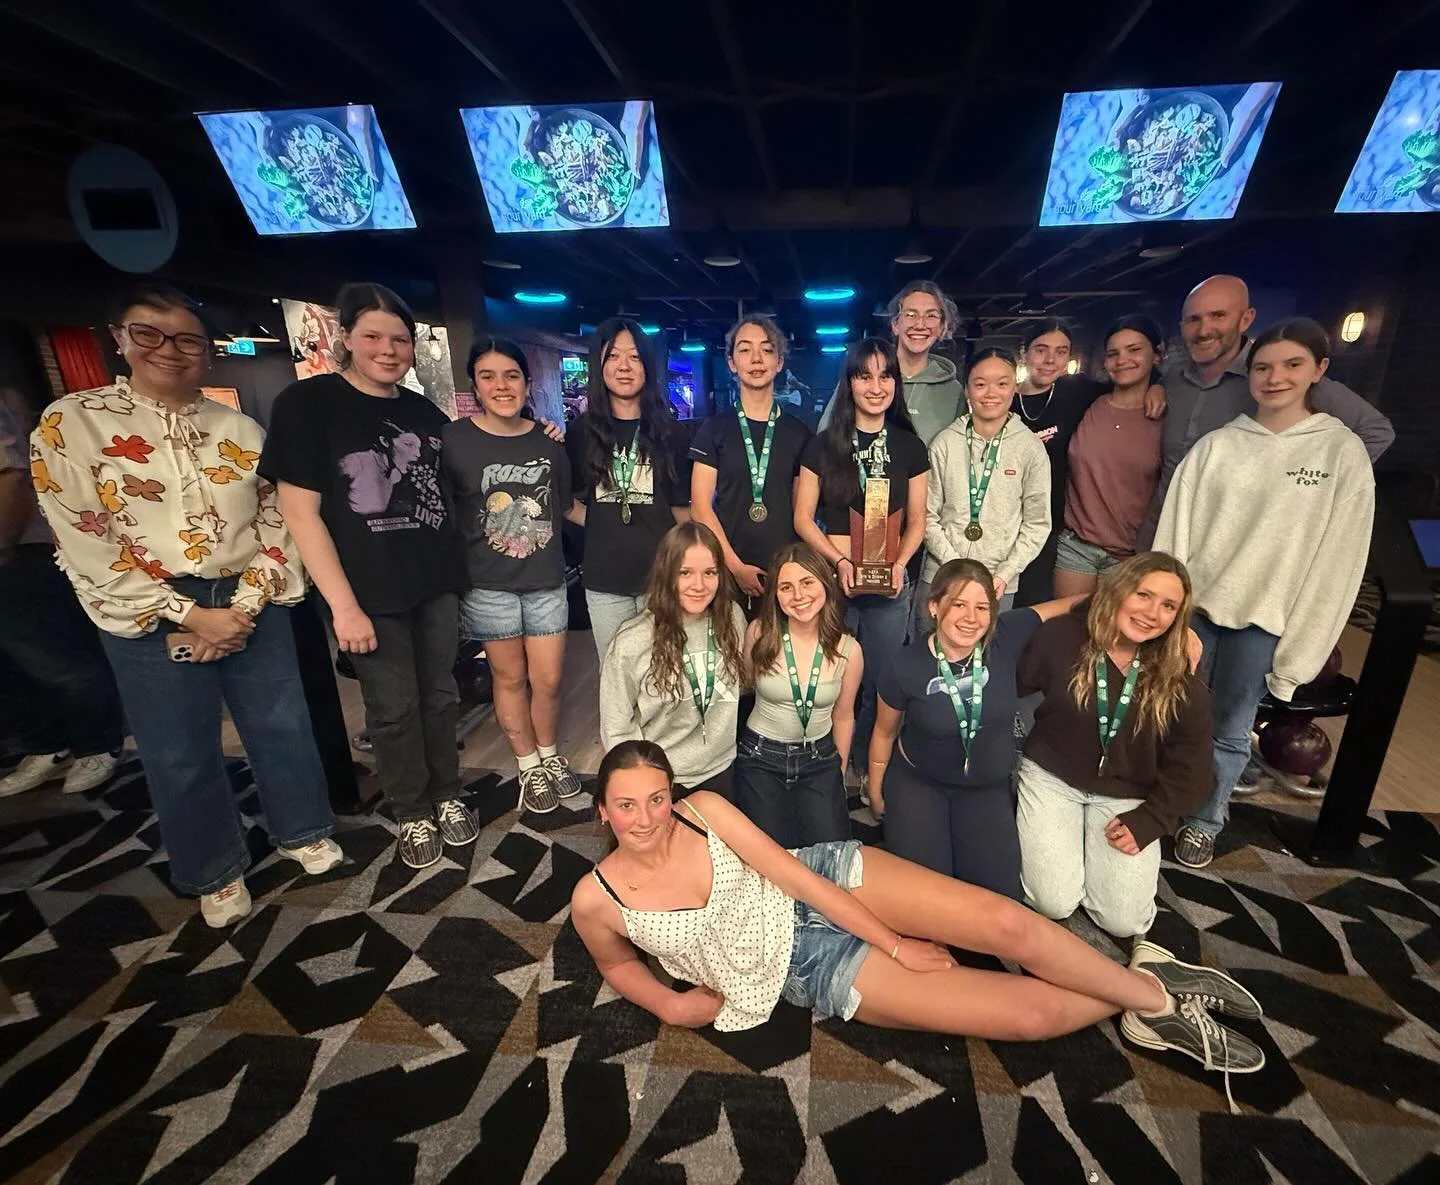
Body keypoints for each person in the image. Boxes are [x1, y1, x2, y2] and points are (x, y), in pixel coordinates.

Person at [571, 740, 1265, 1099]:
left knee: (1007, 924)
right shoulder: (595, 898)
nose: (644, 818)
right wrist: (670, 1002)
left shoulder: (705, 814)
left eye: (656, 799)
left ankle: (1154, 998)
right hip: (807, 968)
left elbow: (797, 876)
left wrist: (896, 943)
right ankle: (1152, 989)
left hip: (826, 880)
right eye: (626, 805)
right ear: (602, 810)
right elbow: (614, 962)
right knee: (1024, 1017)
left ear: (673, 796)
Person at [30, 284, 340, 926]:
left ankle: (302, 828)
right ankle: (214, 868)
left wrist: (244, 604)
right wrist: (190, 614)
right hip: (142, 606)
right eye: (149, 334)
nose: (169, 350)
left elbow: (277, 518)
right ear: (119, 338)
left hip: (251, 591)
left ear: (205, 349)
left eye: (187, 339)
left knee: (281, 723)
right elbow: (84, 535)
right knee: (178, 746)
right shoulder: (72, 423)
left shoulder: (239, 427)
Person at [261, 282, 476, 871]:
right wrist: (343, 606)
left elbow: (455, 489)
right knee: (393, 706)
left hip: (433, 580)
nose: (389, 349)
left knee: (440, 695)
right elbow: (299, 514)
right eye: (374, 337)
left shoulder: (424, 412)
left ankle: (448, 794)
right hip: (366, 590)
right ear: (345, 339)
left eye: (400, 339)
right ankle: (410, 808)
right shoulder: (307, 405)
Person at [1155, 319, 1376, 869]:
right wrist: (1167, 612)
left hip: (1267, 616)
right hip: (1198, 609)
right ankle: (1160, 808)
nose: (1275, 378)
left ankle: (1205, 821)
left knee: (1231, 728)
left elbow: (1339, 558)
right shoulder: (1218, 446)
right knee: (1170, 717)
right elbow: (1175, 536)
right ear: (1249, 373)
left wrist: (1304, 643)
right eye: (1264, 367)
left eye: (1292, 365)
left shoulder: (1339, 453)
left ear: (1319, 370)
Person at [1016, 553, 1212, 939]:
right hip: (1052, 778)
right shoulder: (1062, 638)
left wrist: (1151, 821)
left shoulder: (1180, 677)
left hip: (1128, 796)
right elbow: (1009, 683)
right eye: (1143, 595)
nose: (1152, 613)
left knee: (1124, 922)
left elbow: (1193, 769)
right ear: (1119, 591)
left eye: (1168, 605)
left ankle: (1090, 856)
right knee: (1052, 901)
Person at [869, 559, 1082, 898]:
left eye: (982, 607)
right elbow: (883, 732)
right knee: (927, 895)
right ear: (935, 606)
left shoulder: (1006, 636)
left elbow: (1071, 604)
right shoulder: (905, 665)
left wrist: (1178, 629)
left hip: (986, 787)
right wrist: (877, 790)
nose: (972, 618)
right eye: (959, 604)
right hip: (921, 783)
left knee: (997, 894)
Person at [1137, 274, 1393, 549]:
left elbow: (1376, 431)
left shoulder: (1276, 376)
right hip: (1162, 536)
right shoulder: (1174, 380)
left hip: (1235, 544)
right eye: (1194, 319)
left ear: (1245, 319)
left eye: (1218, 315)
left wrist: (1310, 486)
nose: (1203, 330)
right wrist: (1155, 385)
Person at [442, 337, 583, 815]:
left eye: (511, 376)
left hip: (545, 580)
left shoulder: (548, 439)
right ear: (475, 385)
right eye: (488, 376)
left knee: (548, 679)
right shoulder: (454, 440)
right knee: (509, 677)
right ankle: (527, 767)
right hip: (487, 583)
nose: (501, 386)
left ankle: (549, 755)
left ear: (527, 383)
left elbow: (565, 507)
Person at [794, 338, 928, 783]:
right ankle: (826, 762)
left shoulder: (910, 447)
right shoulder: (821, 446)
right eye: (864, 375)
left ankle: (873, 765)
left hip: (890, 584)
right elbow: (803, 520)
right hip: (835, 581)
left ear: (896, 382)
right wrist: (838, 563)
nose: (876, 386)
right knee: (829, 674)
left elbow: (918, 520)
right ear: (849, 383)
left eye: (885, 375)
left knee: (883, 679)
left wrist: (899, 565)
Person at [0, 375, 124, 797]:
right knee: (13, 666)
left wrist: (3, 545)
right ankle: (46, 744)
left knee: (59, 657)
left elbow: (12, 475)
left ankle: (97, 743)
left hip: (19, 551)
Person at [1011, 320, 1165, 607]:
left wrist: (1159, 384)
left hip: (1053, 528)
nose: (1049, 360)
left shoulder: (1079, 393)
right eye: (1041, 349)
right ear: (1025, 353)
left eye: (1061, 351)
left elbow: (1129, 378)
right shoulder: (1002, 397)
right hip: (1010, 525)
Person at [566, 318, 691, 659]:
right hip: (605, 580)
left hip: (662, 577)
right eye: (613, 357)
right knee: (615, 681)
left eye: (634, 357)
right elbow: (565, 502)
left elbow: (681, 509)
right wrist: (600, 525)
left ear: (648, 367)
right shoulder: (581, 432)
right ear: (599, 365)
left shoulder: (671, 433)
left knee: (664, 676)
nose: (624, 366)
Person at [599, 521, 747, 796]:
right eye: (685, 573)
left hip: (722, 769)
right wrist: (645, 784)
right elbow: (617, 728)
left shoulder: (732, 618)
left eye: (710, 572)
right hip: (659, 779)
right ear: (666, 574)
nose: (699, 585)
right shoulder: (633, 641)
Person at [734, 542, 863, 846]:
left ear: (826, 583)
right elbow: (747, 685)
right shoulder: (759, 633)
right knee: (768, 854)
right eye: (786, 587)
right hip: (760, 756)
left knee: (831, 852)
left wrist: (838, 774)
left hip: (819, 759)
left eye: (807, 583)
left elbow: (843, 716)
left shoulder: (849, 650)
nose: (799, 596)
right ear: (776, 596)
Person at [921, 347, 1050, 628]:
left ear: (1014, 388)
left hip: (998, 582)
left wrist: (1005, 573)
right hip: (942, 574)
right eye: (980, 384)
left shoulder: (1029, 447)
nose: (991, 393)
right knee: (931, 654)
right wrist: (956, 568)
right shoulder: (945, 443)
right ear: (967, 389)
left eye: (1002, 384)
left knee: (990, 661)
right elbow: (926, 516)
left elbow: (1037, 523)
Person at [689, 315, 811, 608]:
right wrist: (735, 566)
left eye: (767, 350)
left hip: (785, 573)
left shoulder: (800, 433)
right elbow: (700, 507)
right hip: (728, 570)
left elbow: (802, 512)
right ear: (731, 363)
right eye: (745, 349)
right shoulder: (714, 429)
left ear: (780, 362)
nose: (756, 358)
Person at [1053, 317, 1166, 597]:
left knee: (1113, 638)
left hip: (1130, 555)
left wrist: (1161, 385)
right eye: (1114, 353)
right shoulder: (1087, 401)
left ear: (1157, 354)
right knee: (1064, 632)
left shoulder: (1166, 414)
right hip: (1076, 545)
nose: (1122, 360)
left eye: (1134, 350)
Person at [818, 281, 963, 446]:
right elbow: (827, 437)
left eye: (931, 316)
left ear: (942, 327)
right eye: (910, 314)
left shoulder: (953, 391)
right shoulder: (861, 375)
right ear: (895, 324)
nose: (920, 325)